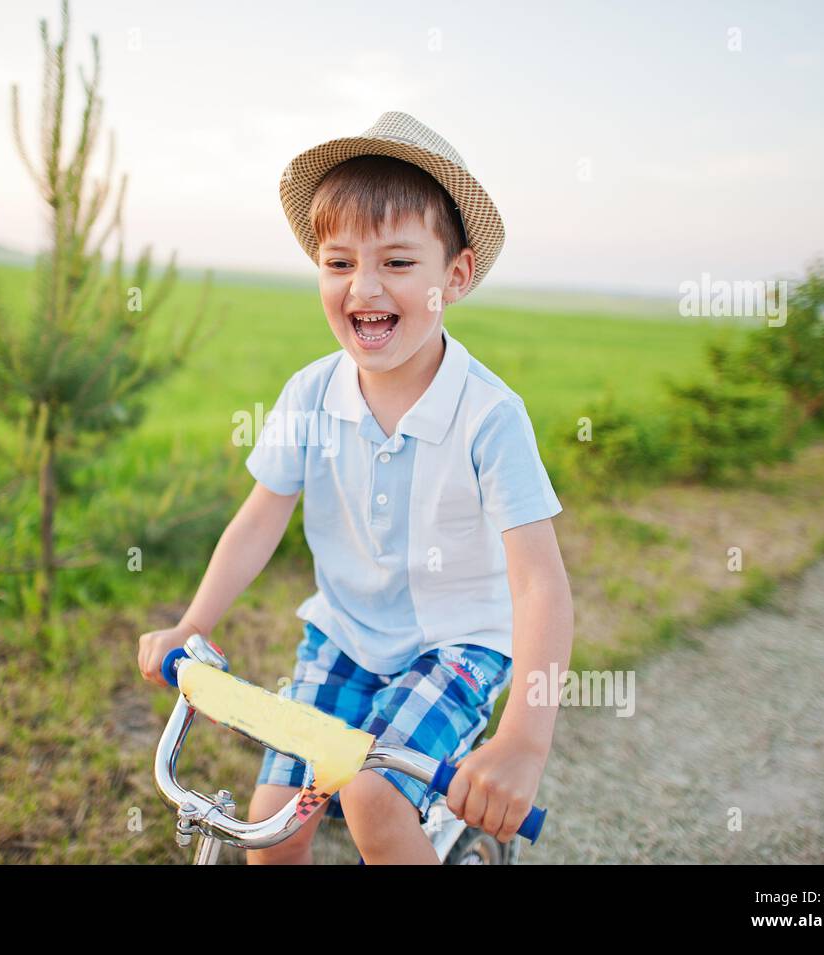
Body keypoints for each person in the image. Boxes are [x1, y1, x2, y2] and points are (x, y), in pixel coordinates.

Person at [138, 111, 574, 864]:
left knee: (374, 795)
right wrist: (192, 625)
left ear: (455, 277)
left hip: (456, 644)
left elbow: (539, 585)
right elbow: (258, 519)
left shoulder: (489, 416)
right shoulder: (310, 395)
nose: (363, 287)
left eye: (399, 263)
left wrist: (523, 743)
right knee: (271, 828)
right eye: (339, 263)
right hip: (343, 636)